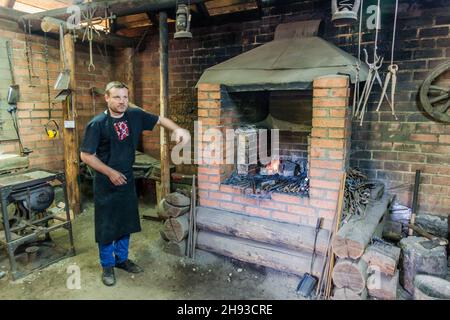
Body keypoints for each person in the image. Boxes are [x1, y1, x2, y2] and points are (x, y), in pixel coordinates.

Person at [80, 81, 190, 286]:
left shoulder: (134, 115)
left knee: (126, 221)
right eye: (116, 97)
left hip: (126, 179)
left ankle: (121, 259)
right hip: (105, 182)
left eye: (125, 97)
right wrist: (110, 172)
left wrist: (178, 129)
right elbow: (86, 155)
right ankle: (107, 266)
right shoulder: (97, 124)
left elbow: (160, 119)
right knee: (107, 225)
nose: (122, 102)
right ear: (106, 98)